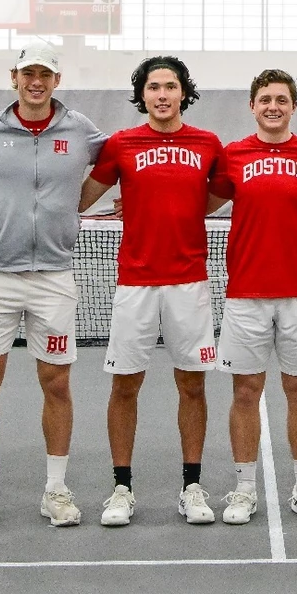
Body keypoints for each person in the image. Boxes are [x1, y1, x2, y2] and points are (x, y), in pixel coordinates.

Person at [0, 44, 107, 531]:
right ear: (14, 77)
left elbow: (124, 158)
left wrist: (81, 203)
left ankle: (56, 490)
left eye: (45, 74)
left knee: (56, 382)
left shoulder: (80, 130)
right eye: (27, 73)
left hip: (54, 279)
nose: (35, 81)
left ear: (56, 80)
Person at [81, 56, 225, 526]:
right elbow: (83, 196)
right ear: (141, 95)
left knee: (192, 384)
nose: (162, 94)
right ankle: (122, 487)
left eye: (170, 86)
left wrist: (179, 206)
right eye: (153, 87)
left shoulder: (207, 144)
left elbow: (220, 193)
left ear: (185, 92)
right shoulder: (122, 144)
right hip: (135, 284)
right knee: (126, 384)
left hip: (190, 282)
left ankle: (192, 487)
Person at [209, 69, 297, 524]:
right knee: (245, 391)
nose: (273, 107)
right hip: (246, 293)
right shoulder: (233, 155)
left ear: (293, 106)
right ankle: (243, 490)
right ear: (252, 106)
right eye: (265, 99)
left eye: (281, 99)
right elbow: (203, 202)